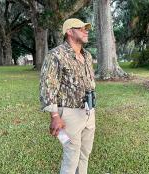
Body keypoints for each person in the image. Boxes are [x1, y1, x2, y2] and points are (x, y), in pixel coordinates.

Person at [39, 18, 96, 174]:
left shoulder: (88, 56)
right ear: (69, 32)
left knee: (85, 154)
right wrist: (54, 116)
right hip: (68, 115)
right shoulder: (55, 55)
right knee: (71, 155)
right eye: (81, 28)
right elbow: (48, 86)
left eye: (87, 28)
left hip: (89, 112)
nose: (86, 31)